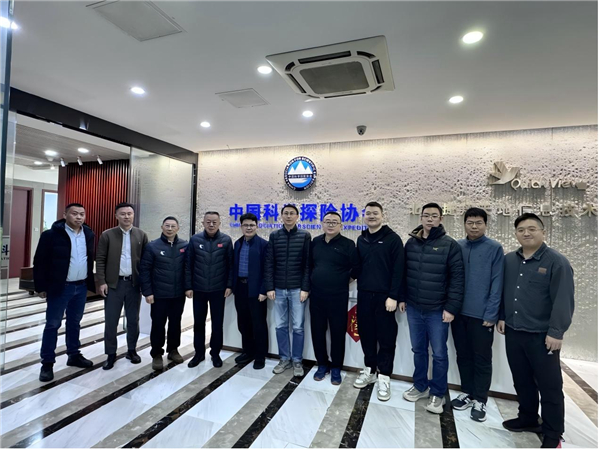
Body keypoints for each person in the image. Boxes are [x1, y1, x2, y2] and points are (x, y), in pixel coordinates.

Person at [497, 213, 574, 449]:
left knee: (550, 386)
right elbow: (504, 291)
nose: (526, 233)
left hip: (542, 336)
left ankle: (553, 433)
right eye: (521, 229)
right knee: (522, 380)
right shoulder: (509, 260)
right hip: (514, 331)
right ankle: (528, 418)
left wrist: (556, 332)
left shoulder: (556, 262)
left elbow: (563, 299)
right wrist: (502, 316)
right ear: (516, 233)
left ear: (543, 232)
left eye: (532, 229)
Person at [401, 202, 464, 414]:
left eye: (434, 216)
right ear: (420, 218)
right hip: (414, 307)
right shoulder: (411, 243)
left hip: (438, 310)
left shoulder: (450, 245)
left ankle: (438, 393)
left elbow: (457, 280)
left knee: (439, 353)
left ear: (440, 219)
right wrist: (402, 297)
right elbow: (404, 272)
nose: (430, 219)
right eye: (426, 215)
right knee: (418, 350)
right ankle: (420, 386)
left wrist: (451, 308)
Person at [451, 207, 504, 422]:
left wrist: (491, 314)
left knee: (481, 358)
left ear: (485, 224)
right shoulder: (457, 246)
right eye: (470, 222)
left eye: (478, 223)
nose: (474, 227)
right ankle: (467, 392)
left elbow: (497, 282)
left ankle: (480, 398)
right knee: (463, 355)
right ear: (464, 224)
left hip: (482, 315)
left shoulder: (494, 248)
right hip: (458, 313)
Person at [33, 203, 96, 382]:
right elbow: (40, 261)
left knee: (75, 322)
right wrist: (41, 286)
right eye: (74, 213)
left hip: (81, 286)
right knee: (53, 324)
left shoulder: (88, 234)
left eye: (82, 214)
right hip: (60, 287)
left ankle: (73, 355)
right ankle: (47, 363)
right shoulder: (51, 235)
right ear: (65, 215)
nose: (79, 217)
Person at [350, 201, 404, 401]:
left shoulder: (393, 239)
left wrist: (393, 296)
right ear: (364, 216)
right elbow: (357, 267)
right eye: (368, 213)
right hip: (364, 294)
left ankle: (384, 376)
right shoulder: (361, 239)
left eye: (375, 213)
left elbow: (399, 270)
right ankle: (370, 370)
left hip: (385, 298)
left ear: (383, 215)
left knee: (386, 338)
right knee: (366, 335)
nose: (371, 216)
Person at [96, 202, 149, 370]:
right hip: (114, 284)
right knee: (111, 321)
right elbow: (100, 259)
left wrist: (145, 284)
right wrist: (101, 281)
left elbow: (146, 262)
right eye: (123, 214)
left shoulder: (141, 235)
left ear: (133, 215)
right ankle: (111, 354)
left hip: (133, 284)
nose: (126, 216)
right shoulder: (107, 235)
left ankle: (132, 350)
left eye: (129, 213)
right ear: (116, 216)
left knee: (133, 320)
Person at [264, 204, 311, 377]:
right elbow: (269, 263)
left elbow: (308, 264)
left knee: (298, 327)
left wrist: (305, 288)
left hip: (297, 289)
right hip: (278, 289)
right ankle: (284, 358)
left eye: (292, 213)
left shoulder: (305, 236)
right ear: (281, 216)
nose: (289, 216)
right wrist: (269, 286)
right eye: (286, 213)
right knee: (281, 326)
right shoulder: (274, 236)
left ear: (297, 216)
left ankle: (297, 360)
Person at [139, 216, 190, 371]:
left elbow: (188, 269)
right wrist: (147, 292)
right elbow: (145, 270)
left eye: (173, 226)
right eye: (167, 226)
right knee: (158, 325)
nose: (170, 229)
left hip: (178, 294)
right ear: (162, 227)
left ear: (178, 228)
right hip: (159, 295)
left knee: (175, 323)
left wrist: (188, 287)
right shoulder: (152, 246)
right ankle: (156, 353)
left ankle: (173, 350)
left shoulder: (185, 246)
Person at [310, 211, 355, 385]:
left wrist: (342, 280)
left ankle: (336, 367)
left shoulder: (348, 244)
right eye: (327, 221)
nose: (330, 224)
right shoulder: (315, 242)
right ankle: (322, 364)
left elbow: (356, 268)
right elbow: (310, 265)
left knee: (337, 332)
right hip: (316, 295)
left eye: (334, 222)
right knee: (317, 331)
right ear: (322, 224)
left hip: (338, 296)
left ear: (340, 225)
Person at [185, 211, 234, 368]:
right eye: (208, 222)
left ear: (219, 223)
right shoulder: (195, 240)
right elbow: (188, 265)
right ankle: (199, 353)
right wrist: (188, 286)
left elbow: (231, 265)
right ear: (203, 223)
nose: (211, 225)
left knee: (217, 324)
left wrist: (229, 285)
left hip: (218, 289)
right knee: (199, 323)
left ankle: (215, 353)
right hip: (199, 289)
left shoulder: (226, 240)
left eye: (214, 222)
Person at [232, 213, 269, 370]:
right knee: (243, 322)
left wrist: (264, 290)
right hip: (240, 288)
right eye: (245, 225)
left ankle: (260, 356)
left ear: (257, 226)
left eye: (252, 225)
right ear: (241, 227)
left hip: (257, 290)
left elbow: (268, 269)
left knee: (258, 324)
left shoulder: (263, 244)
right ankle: (248, 351)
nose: (248, 228)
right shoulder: (238, 243)